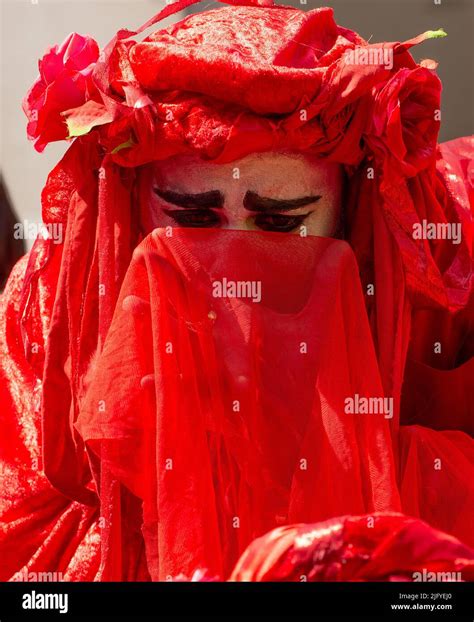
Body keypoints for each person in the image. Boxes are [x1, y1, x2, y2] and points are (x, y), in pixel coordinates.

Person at [0, 0, 473, 582]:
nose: (231, 267)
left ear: (350, 209)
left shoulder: (437, 272)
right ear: (133, 202)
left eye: (279, 223)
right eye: (194, 222)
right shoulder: (51, 314)